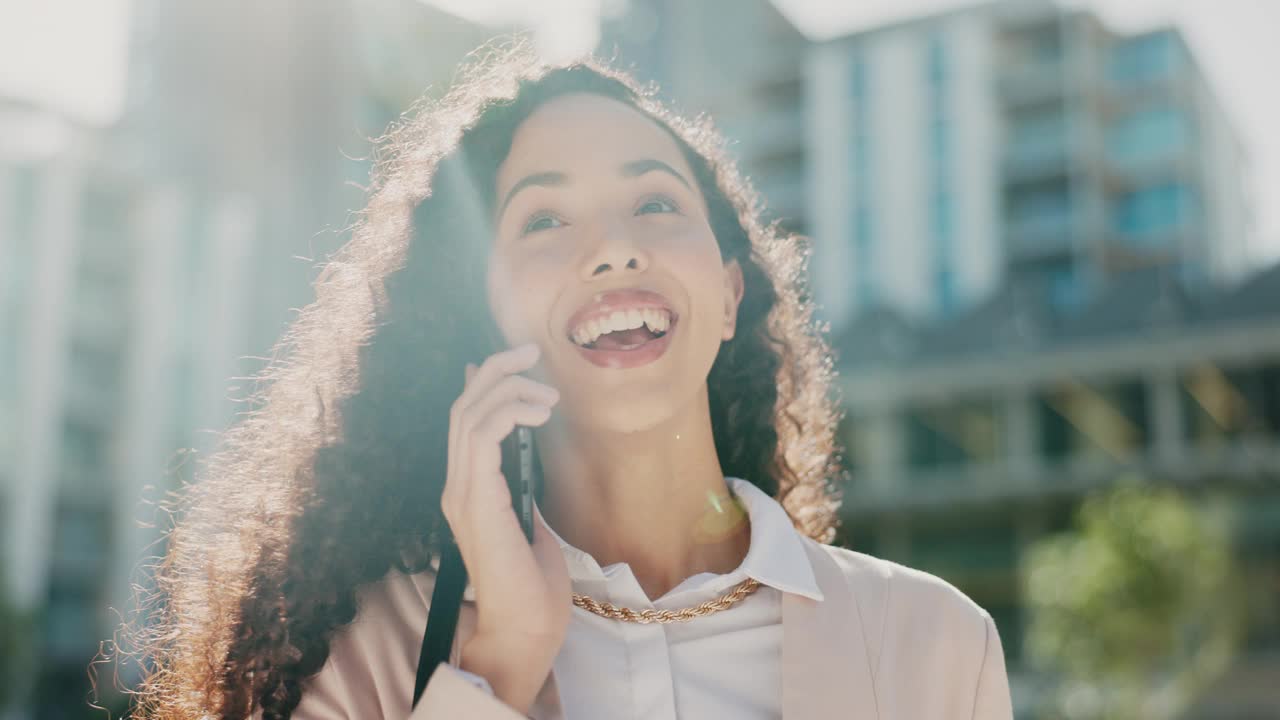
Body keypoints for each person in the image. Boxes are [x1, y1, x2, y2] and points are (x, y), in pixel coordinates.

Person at [123, 40, 1013, 719]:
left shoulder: (934, 644)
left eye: (656, 202)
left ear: (732, 291)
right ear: (479, 317)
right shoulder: (367, 655)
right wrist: (501, 663)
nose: (615, 246)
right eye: (543, 218)